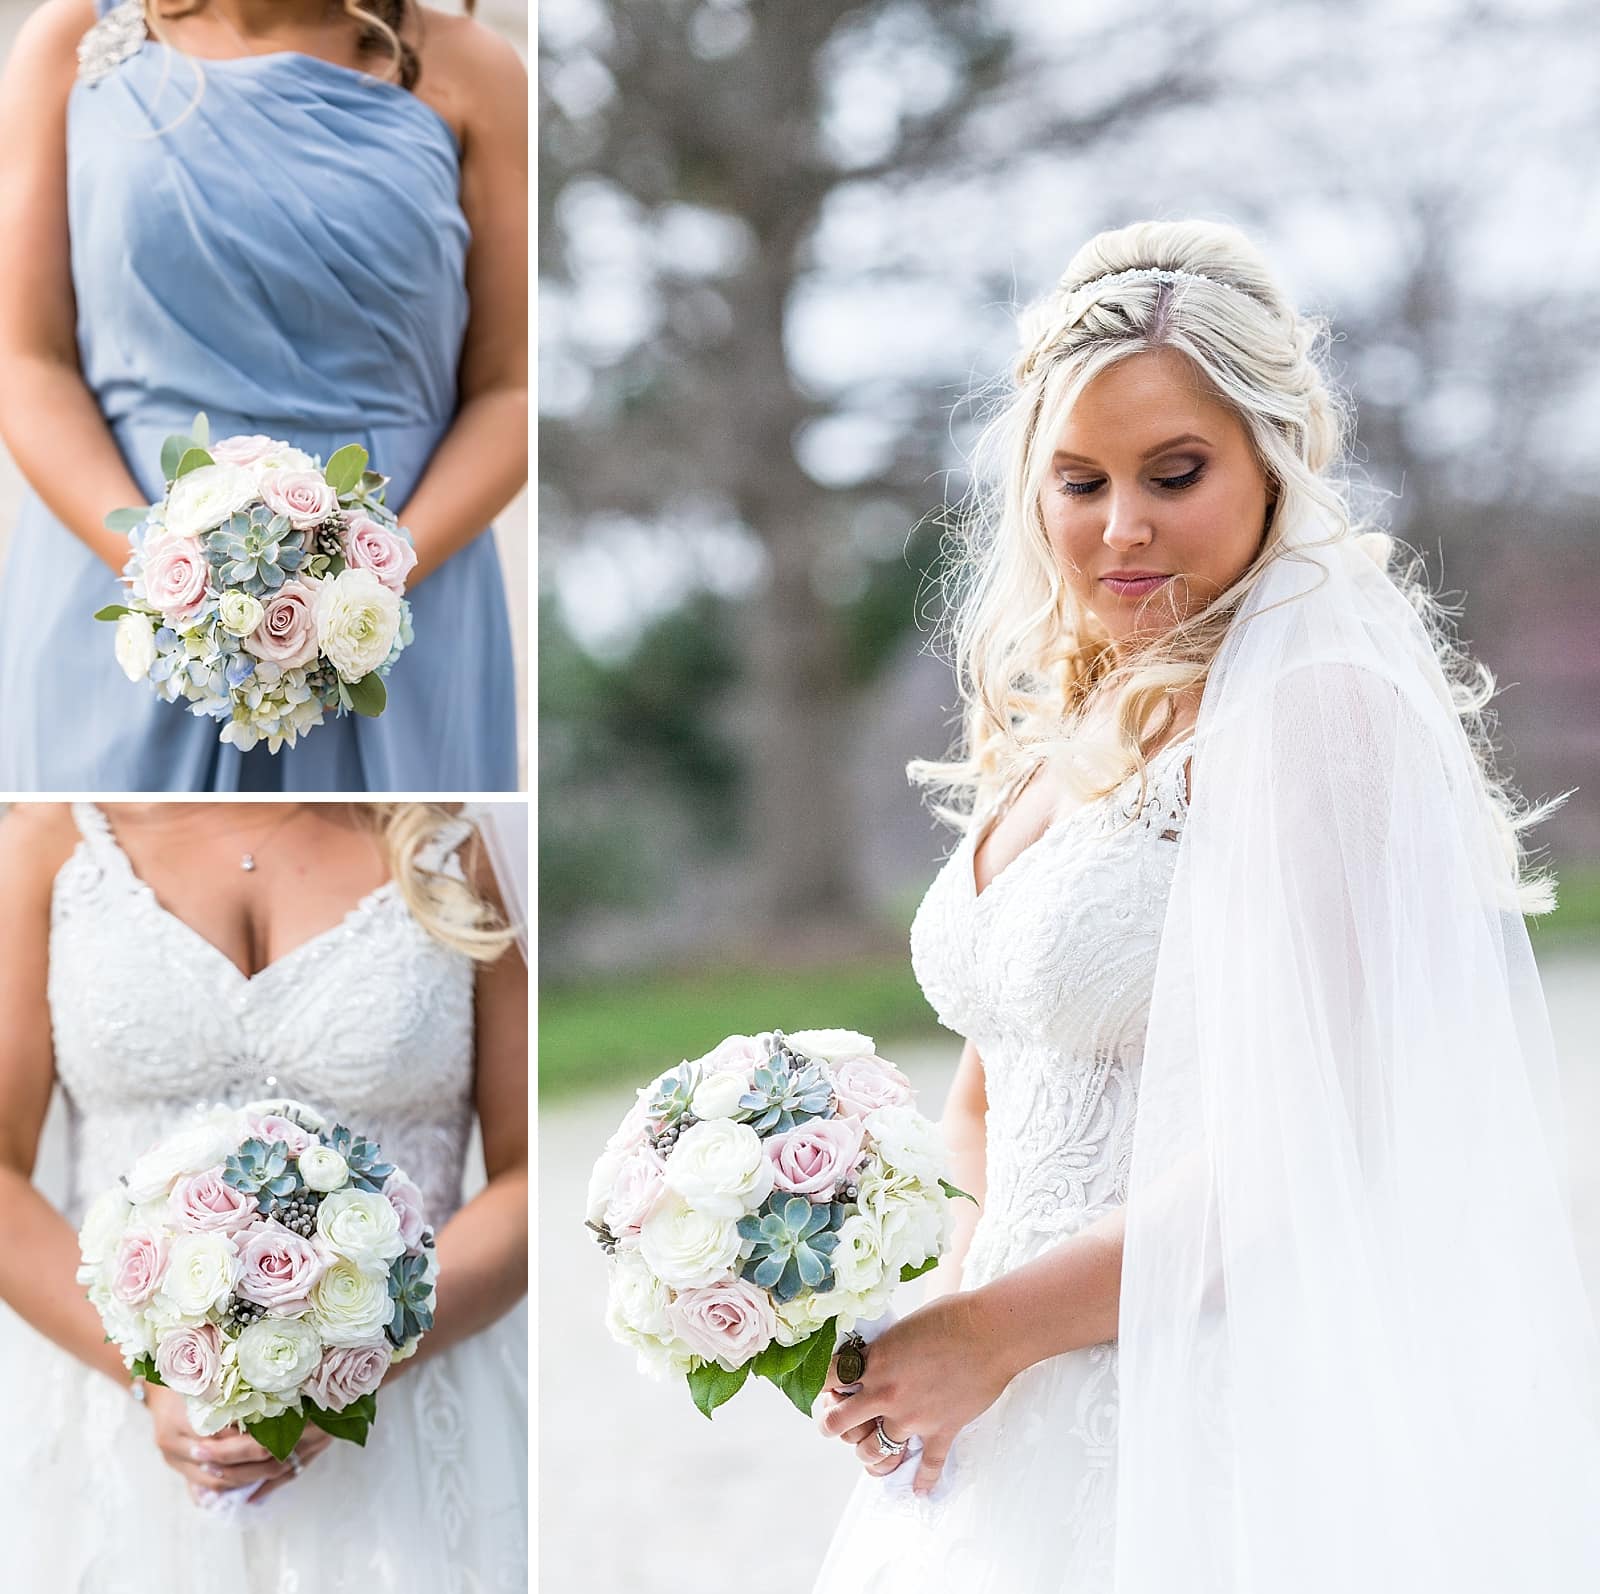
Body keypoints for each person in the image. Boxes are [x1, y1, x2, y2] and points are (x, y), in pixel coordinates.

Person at [810, 219, 1600, 1592]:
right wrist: (936, 1318)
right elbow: (990, 1099)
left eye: (1175, 473)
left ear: (1275, 461)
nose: (1120, 526)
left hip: (1214, 1393)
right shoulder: (1060, 715)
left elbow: (1305, 1152)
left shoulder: (1316, 714)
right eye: (1079, 480)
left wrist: (997, 1329)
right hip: (1002, 1404)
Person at [0, 800, 529, 1589]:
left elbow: (527, 1171)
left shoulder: (466, 844)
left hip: (412, 1396)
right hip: (110, 1409)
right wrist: (150, 1376)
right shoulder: (48, 837)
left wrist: (352, 1365)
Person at [0, 0, 527, 790]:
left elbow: (514, 387)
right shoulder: (68, 42)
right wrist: (176, 580)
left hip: (399, 600)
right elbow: (28, 360)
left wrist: (361, 590)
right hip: (118, 581)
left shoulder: (476, 70)